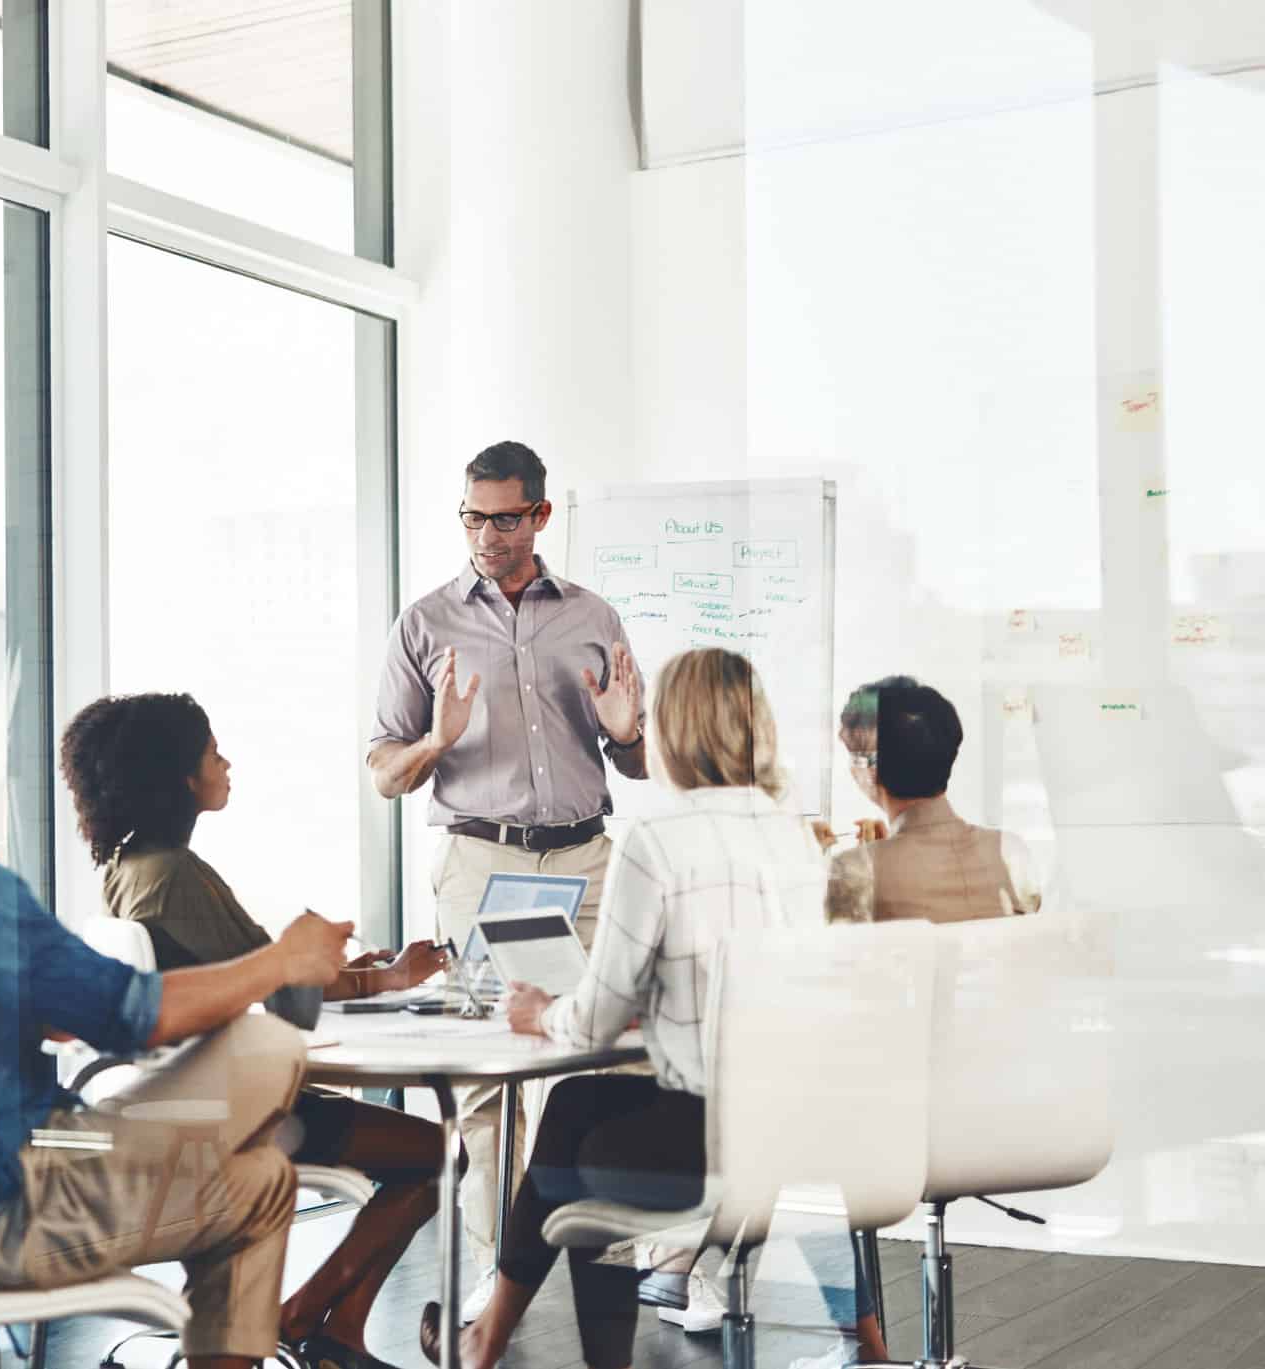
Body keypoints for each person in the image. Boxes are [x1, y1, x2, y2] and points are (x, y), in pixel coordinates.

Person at [0, 624, 354, 1369]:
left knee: (259, 1175)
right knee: (268, 1059)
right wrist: (281, 961)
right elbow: (133, 1017)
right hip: (11, 1208)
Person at [422, 648, 825, 1369]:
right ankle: (486, 1340)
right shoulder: (793, 836)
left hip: (711, 1139)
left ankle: (508, 1342)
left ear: (671, 727)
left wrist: (541, 1012)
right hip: (787, 1124)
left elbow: (594, 1018)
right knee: (578, 1104)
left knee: (579, 1150)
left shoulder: (658, 842)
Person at [61, 691, 453, 1369]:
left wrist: (345, 970)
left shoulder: (131, 868)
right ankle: (304, 1315)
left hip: (185, 1101)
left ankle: (338, 1336)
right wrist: (387, 977)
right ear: (183, 775)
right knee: (440, 1152)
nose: (227, 761)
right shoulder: (176, 876)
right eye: (214, 751)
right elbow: (282, 991)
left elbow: (252, 969)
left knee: (424, 1151)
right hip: (232, 1116)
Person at [366, 439, 649, 1304]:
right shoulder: (424, 622)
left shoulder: (594, 616)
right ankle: (501, 1287)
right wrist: (437, 740)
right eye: (472, 517)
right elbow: (384, 771)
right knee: (494, 1076)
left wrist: (628, 730)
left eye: (503, 517)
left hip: (590, 859)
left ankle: (611, 1267)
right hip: (482, 860)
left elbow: (634, 762)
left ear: (540, 515)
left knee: (605, 1055)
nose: (486, 534)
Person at [777, 675, 1045, 1369]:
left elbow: (840, 1005)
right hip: (1012, 1106)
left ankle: (864, 1346)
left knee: (775, 1121)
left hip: (904, 1122)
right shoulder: (1012, 852)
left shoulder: (857, 869)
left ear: (870, 771)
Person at [824, 675, 1043, 924]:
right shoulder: (1013, 853)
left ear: (869, 768)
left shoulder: (851, 873)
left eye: (853, 756)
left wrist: (868, 861)